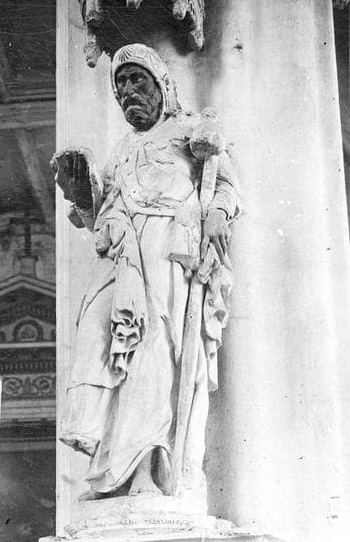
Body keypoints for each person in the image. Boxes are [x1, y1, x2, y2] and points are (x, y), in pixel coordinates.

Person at [52, 43, 241, 501]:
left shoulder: (189, 129)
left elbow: (226, 184)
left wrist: (218, 212)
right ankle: (111, 468)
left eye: (137, 79)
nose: (127, 91)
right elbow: (101, 215)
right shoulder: (121, 149)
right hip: (123, 258)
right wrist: (82, 192)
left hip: (169, 253)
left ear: (162, 85)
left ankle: (145, 473)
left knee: (154, 358)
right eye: (120, 84)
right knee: (100, 338)